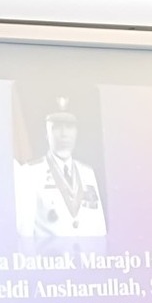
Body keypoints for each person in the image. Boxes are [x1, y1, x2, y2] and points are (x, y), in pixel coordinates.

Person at [15, 101, 106, 241]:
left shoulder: (87, 173)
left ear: (76, 132)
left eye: (69, 127)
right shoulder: (30, 173)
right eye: (56, 127)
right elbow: (25, 236)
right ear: (46, 133)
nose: (64, 134)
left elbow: (100, 229)